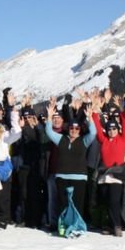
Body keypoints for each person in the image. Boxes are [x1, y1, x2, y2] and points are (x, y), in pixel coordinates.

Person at [44, 95, 96, 232]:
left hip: (79, 177)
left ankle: (77, 226)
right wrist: (49, 117)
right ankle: (63, 225)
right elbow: (48, 131)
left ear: (80, 130)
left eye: (77, 128)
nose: (74, 130)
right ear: (68, 129)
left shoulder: (84, 141)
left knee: (78, 204)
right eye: (71, 128)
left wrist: (90, 119)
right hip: (62, 176)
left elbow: (94, 133)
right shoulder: (61, 139)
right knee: (63, 204)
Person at [90, 90, 125, 236]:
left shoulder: (123, 139)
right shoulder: (104, 140)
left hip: (116, 175)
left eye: (114, 128)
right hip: (103, 175)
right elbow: (97, 128)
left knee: (114, 202)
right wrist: (95, 112)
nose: (112, 131)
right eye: (109, 129)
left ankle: (117, 226)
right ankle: (109, 225)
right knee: (106, 202)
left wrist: (122, 111)